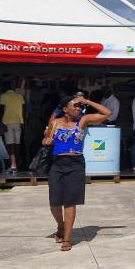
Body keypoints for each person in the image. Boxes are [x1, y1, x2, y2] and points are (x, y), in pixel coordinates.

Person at [43, 94, 110, 251]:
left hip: (76, 164)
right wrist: (46, 141)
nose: (79, 108)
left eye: (80, 106)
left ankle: (67, 238)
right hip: (57, 164)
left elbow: (107, 113)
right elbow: (46, 139)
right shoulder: (55, 123)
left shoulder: (83, 121)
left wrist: (87, 101)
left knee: (70, 201)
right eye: (75, 106)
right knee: (54, 202)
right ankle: (60, 225)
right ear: (65, 109)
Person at [0, 79, 26, 172]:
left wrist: (1, 122)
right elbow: (23, 109)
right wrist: (23, 122)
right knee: (17, 144)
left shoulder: (3, 96)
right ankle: (18, 164)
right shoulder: (19, 96)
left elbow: (1, 110)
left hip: (7, 122)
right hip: (18, 122)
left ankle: (13, 165)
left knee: (10, 145)